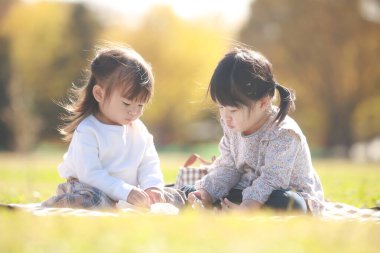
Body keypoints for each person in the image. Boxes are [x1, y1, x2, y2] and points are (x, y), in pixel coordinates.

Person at [42, 45, 185, 210]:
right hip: (91, 190)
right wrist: (124, 191)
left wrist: (152, 187)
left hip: (127, 194)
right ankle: (55, 204)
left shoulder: (139, 130)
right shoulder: (88, 130)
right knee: (93, 201)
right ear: (99, 94)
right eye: (126, 103)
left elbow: (149, 163)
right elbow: (90, 175)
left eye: (140, 105)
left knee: (172, 196)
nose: (134, 111)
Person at [185, 48, 324, 214]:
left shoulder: (284, 133)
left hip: (283, 190)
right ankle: (219, 203)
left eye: (234, 110)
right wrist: (207, 192)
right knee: (195, 190)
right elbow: (229, 167)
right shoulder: (233, 125)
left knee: (290, 203)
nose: (226, 117)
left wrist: (247, 207)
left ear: (263, 103)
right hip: (248, 188)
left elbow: (271, 179)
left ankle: (241, 208)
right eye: (221, 107)